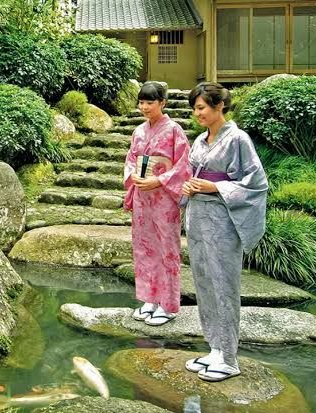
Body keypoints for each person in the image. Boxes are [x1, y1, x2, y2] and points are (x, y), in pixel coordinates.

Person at [181, 82, 268, 382]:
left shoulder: (238, 139)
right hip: (198, 218)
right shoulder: (200, 141)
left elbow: (256, 183)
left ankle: (229, 358)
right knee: (204, 284)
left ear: (220, 106)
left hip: (223, 221)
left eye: (202, 107)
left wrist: (215, 186)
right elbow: (192, 174)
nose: (197, 113)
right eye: (194, 108)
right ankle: (215, 349)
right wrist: (189, 185)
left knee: (224, 286)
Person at [123, 81, 191, 326]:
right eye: (141, 102)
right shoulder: (138, 131)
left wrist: (159, 180)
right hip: (143, 196)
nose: (144, 107)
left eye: (150, 102)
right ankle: (149, 299)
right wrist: (133, 176)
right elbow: (131, 159)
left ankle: (168, 304)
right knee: (144, 246)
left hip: (163, 197)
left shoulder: (174, 130)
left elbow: (184, 165)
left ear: (163, 103)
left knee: (166, 248)